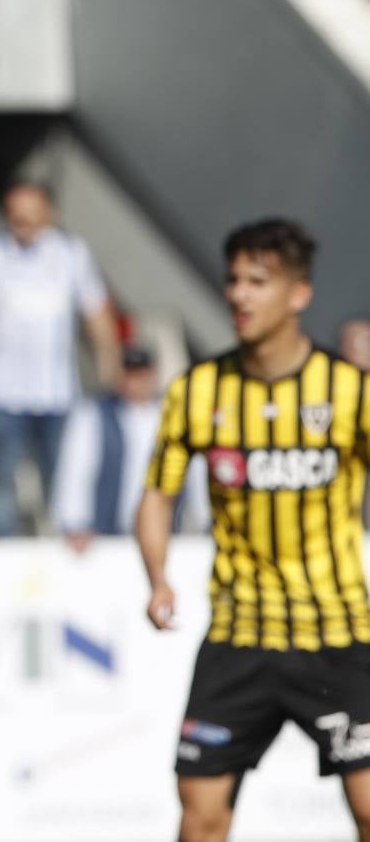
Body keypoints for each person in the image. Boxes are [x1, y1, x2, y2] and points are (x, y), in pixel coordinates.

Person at [136, 219, 370, 842]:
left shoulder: (349, 391)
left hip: (339, 634)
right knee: (201, 818)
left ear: (298, 295)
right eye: (234, 279)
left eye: (258, 281)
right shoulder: (198, 390)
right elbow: (156, 497)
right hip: (238, 638)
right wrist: (157, 576)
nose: (239, 294)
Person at [0, 181, 120, 536]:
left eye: (30, 209)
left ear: (49, 213)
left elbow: (96, 311)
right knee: (0, 490)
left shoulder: (72, 255)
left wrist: (109, 363)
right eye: (15, 210)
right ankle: (3, 553)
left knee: (62, 483)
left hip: (55, 393)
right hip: (0, 396)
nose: (21, 218)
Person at [52, 344, 207, 552]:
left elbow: (197, 474)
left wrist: (207, 521)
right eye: (130, 373)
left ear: (153, 374)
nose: (135, 381)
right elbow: (75, 470)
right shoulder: (94, 415)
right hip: (106, 541)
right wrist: (75, 523)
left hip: (164, 540)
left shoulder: (175, 418)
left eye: (141, 373)